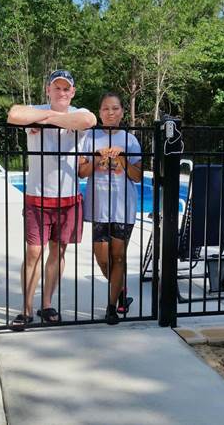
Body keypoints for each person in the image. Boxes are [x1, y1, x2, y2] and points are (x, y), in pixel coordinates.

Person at [6, 70, 97, 330]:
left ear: (73, 92)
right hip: (37, 198)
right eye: (57, 88)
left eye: (66, 88)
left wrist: (45, 120)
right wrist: (56, 118)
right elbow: (14, 115)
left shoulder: (79, 111)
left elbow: (88, 120)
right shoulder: (36, 108)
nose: (62, 92)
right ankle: (26, 308)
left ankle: (46, 304)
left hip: (68, 199)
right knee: (34, 252)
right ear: (48, 90)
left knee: (58, 252)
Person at [78, 93, 143, 325]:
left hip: (124, 208)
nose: (111, 112)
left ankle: (111, 307)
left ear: (122, 112)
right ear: (100, 112)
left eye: (115, 108)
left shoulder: (130, 140)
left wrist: (123, 159)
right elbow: (81, 172)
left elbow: (137, 176)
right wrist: (98, 158)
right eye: (106, 109)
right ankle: (121, 291)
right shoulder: (90, 137)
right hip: (98, 208)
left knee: (118, 258)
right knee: (102, 258)